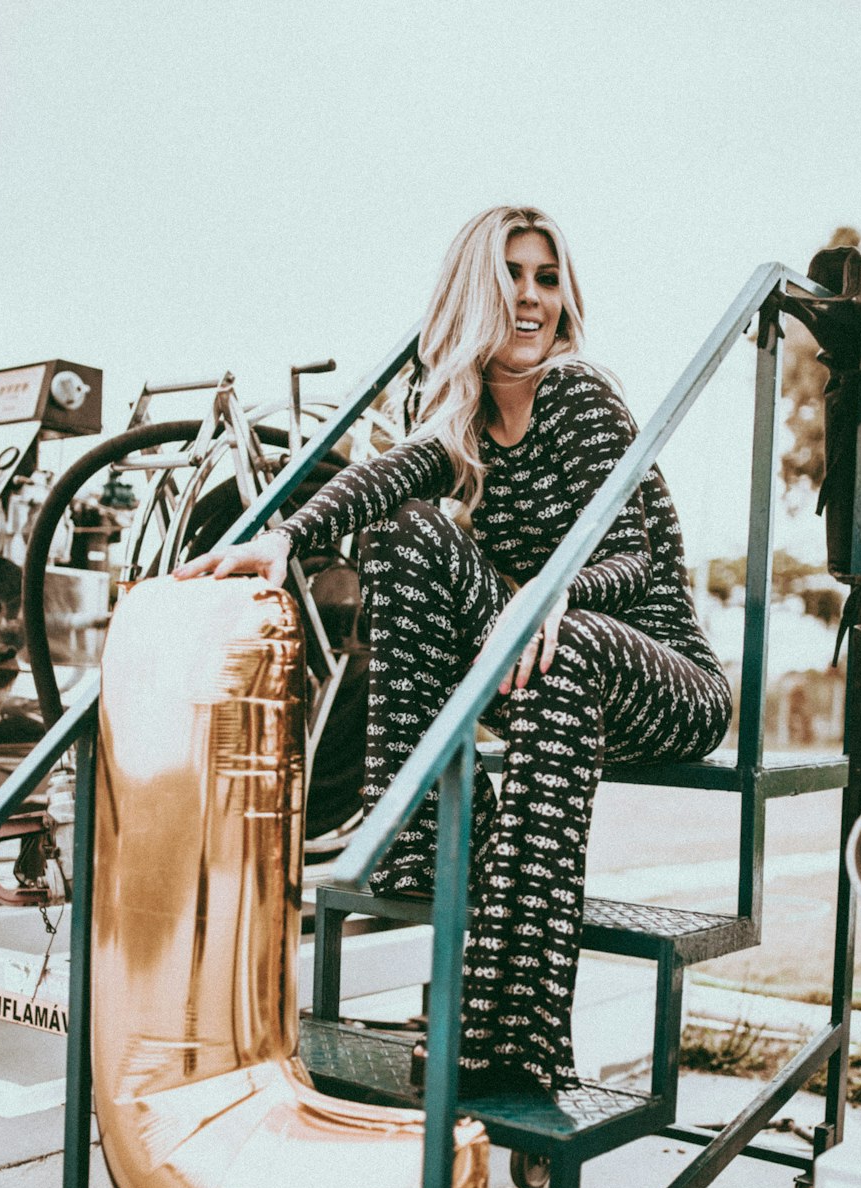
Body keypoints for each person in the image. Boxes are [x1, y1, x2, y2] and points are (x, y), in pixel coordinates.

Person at [174, 205, 732, 1095]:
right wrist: (285, 541)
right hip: (546, 669)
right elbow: (382, 478)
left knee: (568, 644)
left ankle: (514, 1036)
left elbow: (640, 558)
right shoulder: (465, 426)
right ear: (476, 291)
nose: (533, 297)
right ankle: (424, 826)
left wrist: (552, 596)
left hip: (660, 675)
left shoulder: (580, 395)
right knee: (406, 533)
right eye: (513, 274)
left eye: (547, 279)